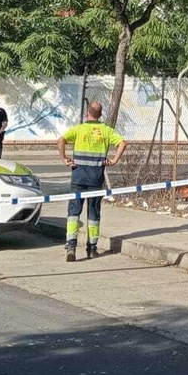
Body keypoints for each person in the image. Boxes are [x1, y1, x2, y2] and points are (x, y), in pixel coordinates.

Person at [59, 100, 126, 262]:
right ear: (100, 114)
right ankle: (92, 248)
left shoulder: (79, 129)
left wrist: (64, 158)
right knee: (94, 212)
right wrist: (114, 160)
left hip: (78, 177)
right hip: (96, 178)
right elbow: (122, 143)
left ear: (87, 113)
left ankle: (71, 246)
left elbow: (60, 140)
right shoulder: (106, 131)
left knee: (74, 211)